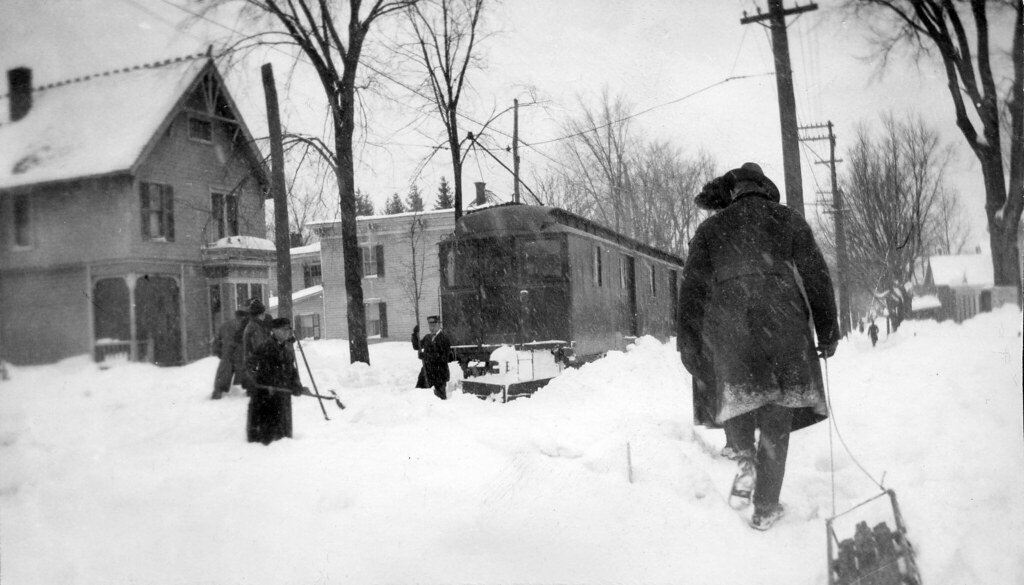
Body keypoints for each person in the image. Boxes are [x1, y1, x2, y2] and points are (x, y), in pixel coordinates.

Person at [678, 162, 840, 531]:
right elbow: (816, 275)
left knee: (739, 396)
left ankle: (745, 460)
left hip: (732, 328)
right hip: (784, 327)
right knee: (776, 415)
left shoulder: (711, 229)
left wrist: (688, 343)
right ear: (765, 188)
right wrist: (828, 330)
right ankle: (766, 507)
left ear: (733, 192)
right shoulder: (787, 219)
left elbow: (691, 290)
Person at [245, 317, 303, 444]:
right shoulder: (265, 347)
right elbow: (250, 366)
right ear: (274, 330)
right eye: (283, 330)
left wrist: (296, 385)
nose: (287, 333)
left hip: (283, 396)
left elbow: (291, 370)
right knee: (268, 435)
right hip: (266, 398)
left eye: (288, 330)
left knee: (283, 436)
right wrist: (259, 382)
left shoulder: (287, 350)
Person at [211, 310, 249, 400]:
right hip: (242, 354)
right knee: (247, 372)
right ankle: (250, 391)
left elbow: (216, 342)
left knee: (224, 373)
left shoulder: (225, 325)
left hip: (227, 353)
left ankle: (218, 392)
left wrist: (220, 353)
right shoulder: (247, 325)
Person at [412, 315, 452, 400]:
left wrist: (426, 356)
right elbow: (417, 346)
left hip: (439, 374)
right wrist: (415, 334)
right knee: (418, 395)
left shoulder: (444, 339)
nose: (432, 328)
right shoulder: (427, 337)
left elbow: (444, 358)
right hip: (426, 372)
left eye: (434, 325)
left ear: (438, 325)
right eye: (430, 326)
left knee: (439, 400)